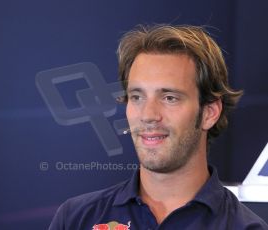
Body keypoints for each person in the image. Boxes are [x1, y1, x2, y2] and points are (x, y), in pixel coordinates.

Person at [48, 24, 268, 229]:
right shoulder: (76, 218)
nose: (148, 115)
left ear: (209, 113)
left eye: (169, 98)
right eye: (137, 97)